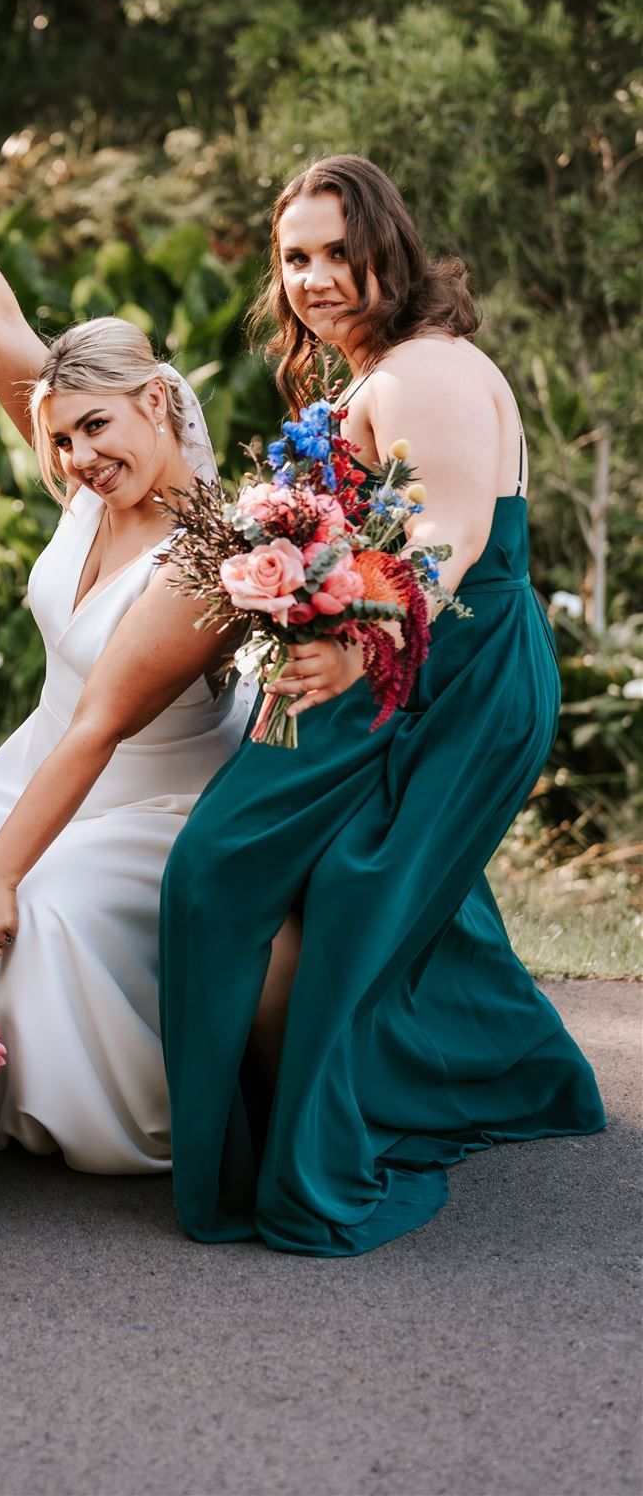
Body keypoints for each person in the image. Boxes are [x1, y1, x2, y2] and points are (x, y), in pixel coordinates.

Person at [159, 154, 606, 1255]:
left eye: (335, 250)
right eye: (294, 256)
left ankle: (300, 1141)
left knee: (223, 875)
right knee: (343, 892)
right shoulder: (376, 372)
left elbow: (448, 531)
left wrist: (360, 641)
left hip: (438, 666)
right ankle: (337, 1105)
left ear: (389, 248)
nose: (313, 276)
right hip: (394, 656)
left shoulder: (421, 370)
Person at [0, 59, 249, 1172]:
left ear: (159, 401)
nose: (79, 456)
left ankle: (106, 1125)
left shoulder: (209, 551)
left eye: (100, 427)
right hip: (42, 765)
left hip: (151, 787)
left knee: (49, 911)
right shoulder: (85, 475)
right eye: (64, 435)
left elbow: (104, 724)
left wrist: (5, 868)